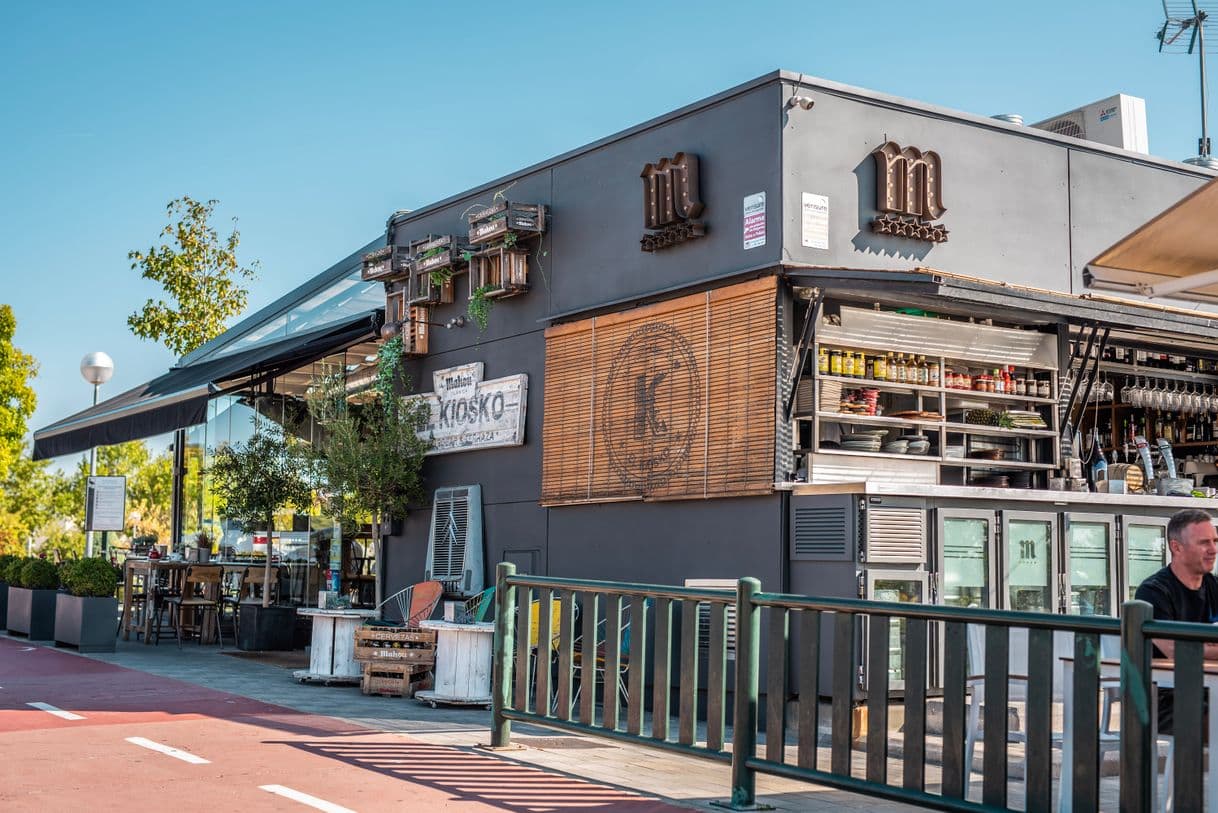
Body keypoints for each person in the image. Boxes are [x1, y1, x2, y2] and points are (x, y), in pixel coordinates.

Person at [1133, 507, 1218, 735]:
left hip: (1210, 690)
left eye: (1215, 541)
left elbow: (1188, 647)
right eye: (1204, 543)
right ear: (1176, 547)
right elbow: (1175, 649)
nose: (1213, 550)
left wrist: (1202, 647)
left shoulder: (1214, 586)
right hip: (1167, 698)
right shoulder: (1153, 591)